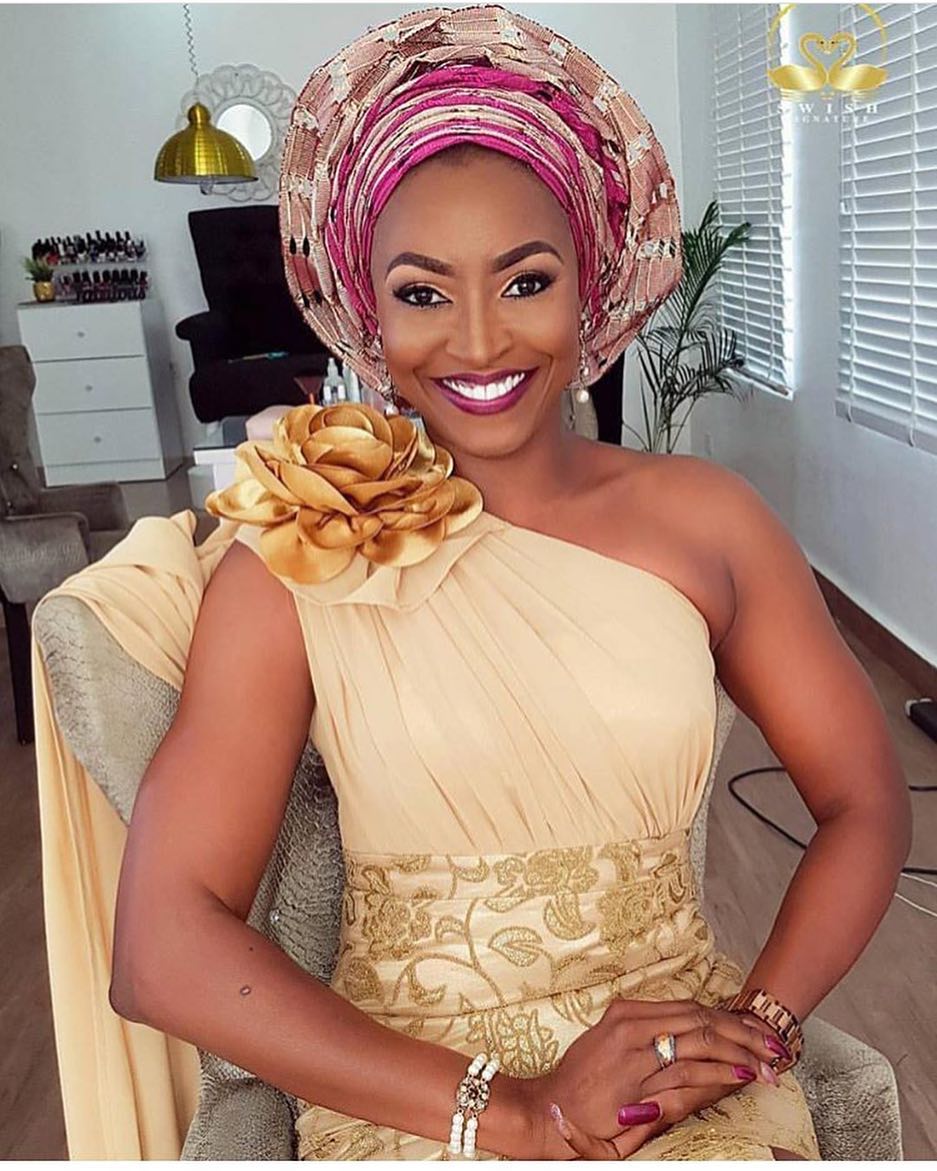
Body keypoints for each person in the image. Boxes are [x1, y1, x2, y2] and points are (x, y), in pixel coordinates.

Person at [104, 4, 910, 1161]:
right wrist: (517, 1108)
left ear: (591, 285)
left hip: (676, 1080)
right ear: (366, 314)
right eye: (423, 293)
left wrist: (756, 1030)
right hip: (415, 1089)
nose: (479, 342)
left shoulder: (711, 521)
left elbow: (865, 798)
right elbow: (159, 946)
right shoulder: (296, 551)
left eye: (525, 281)